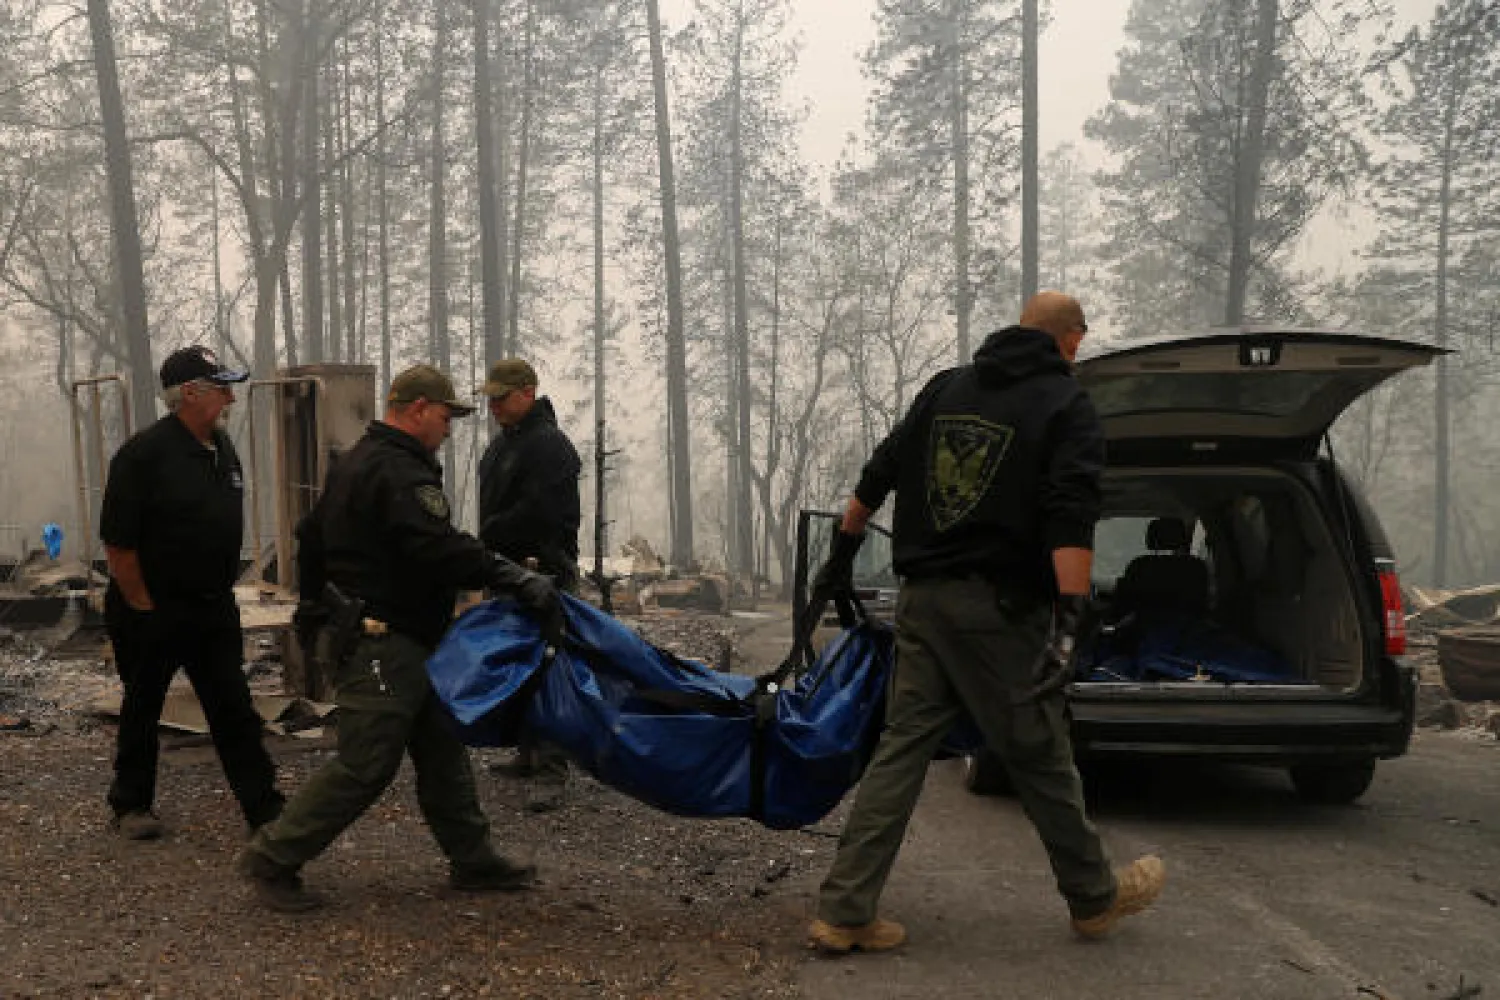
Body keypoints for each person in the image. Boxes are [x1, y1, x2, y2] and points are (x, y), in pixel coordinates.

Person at [806, 292, 1165, 954]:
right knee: (1039, 749)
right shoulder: (1065, 404)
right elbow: (1069, 513)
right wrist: (1070, 617)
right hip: (999, 612)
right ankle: (1094, 897)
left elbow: (876, 475)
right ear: (1072, 340)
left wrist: (840, 557)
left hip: (922, 601)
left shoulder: (946, 388)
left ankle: (845, 908)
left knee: (903, 747)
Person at [238, 364, 563, 912]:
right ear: (416, 409)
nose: (449, 427)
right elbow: (436, 547)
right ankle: (273, 858)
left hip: (406, 637)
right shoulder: (398, 471)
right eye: (443, 415)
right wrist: (511, 575)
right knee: (365, 763)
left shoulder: (359, 461)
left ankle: (473, 858)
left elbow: (309, 535)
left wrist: (313, 607)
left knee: (441, 749)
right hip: (384, 642)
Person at [99, 345, 285, 840]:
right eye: (221, 388)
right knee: (143, 705)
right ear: (189, 394)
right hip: (154, 606)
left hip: (211, 607)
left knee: (233, 708)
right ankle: (131, 803)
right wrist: (142, 605)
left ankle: (265, 809)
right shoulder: (143, 456)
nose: (230, 397)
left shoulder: (222, 450)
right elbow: (118, 544)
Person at [477, 359, 581, 812]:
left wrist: (490, 535)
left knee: (550, 668)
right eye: (492, 398)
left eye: (503, 397)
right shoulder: (504, 445)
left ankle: (553, 769)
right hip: (507, 571)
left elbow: (542, 513)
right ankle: (526, 752)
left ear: (528, 392)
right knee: (517, 664)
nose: (495, 406)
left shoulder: (550, 445)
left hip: (543, 572)